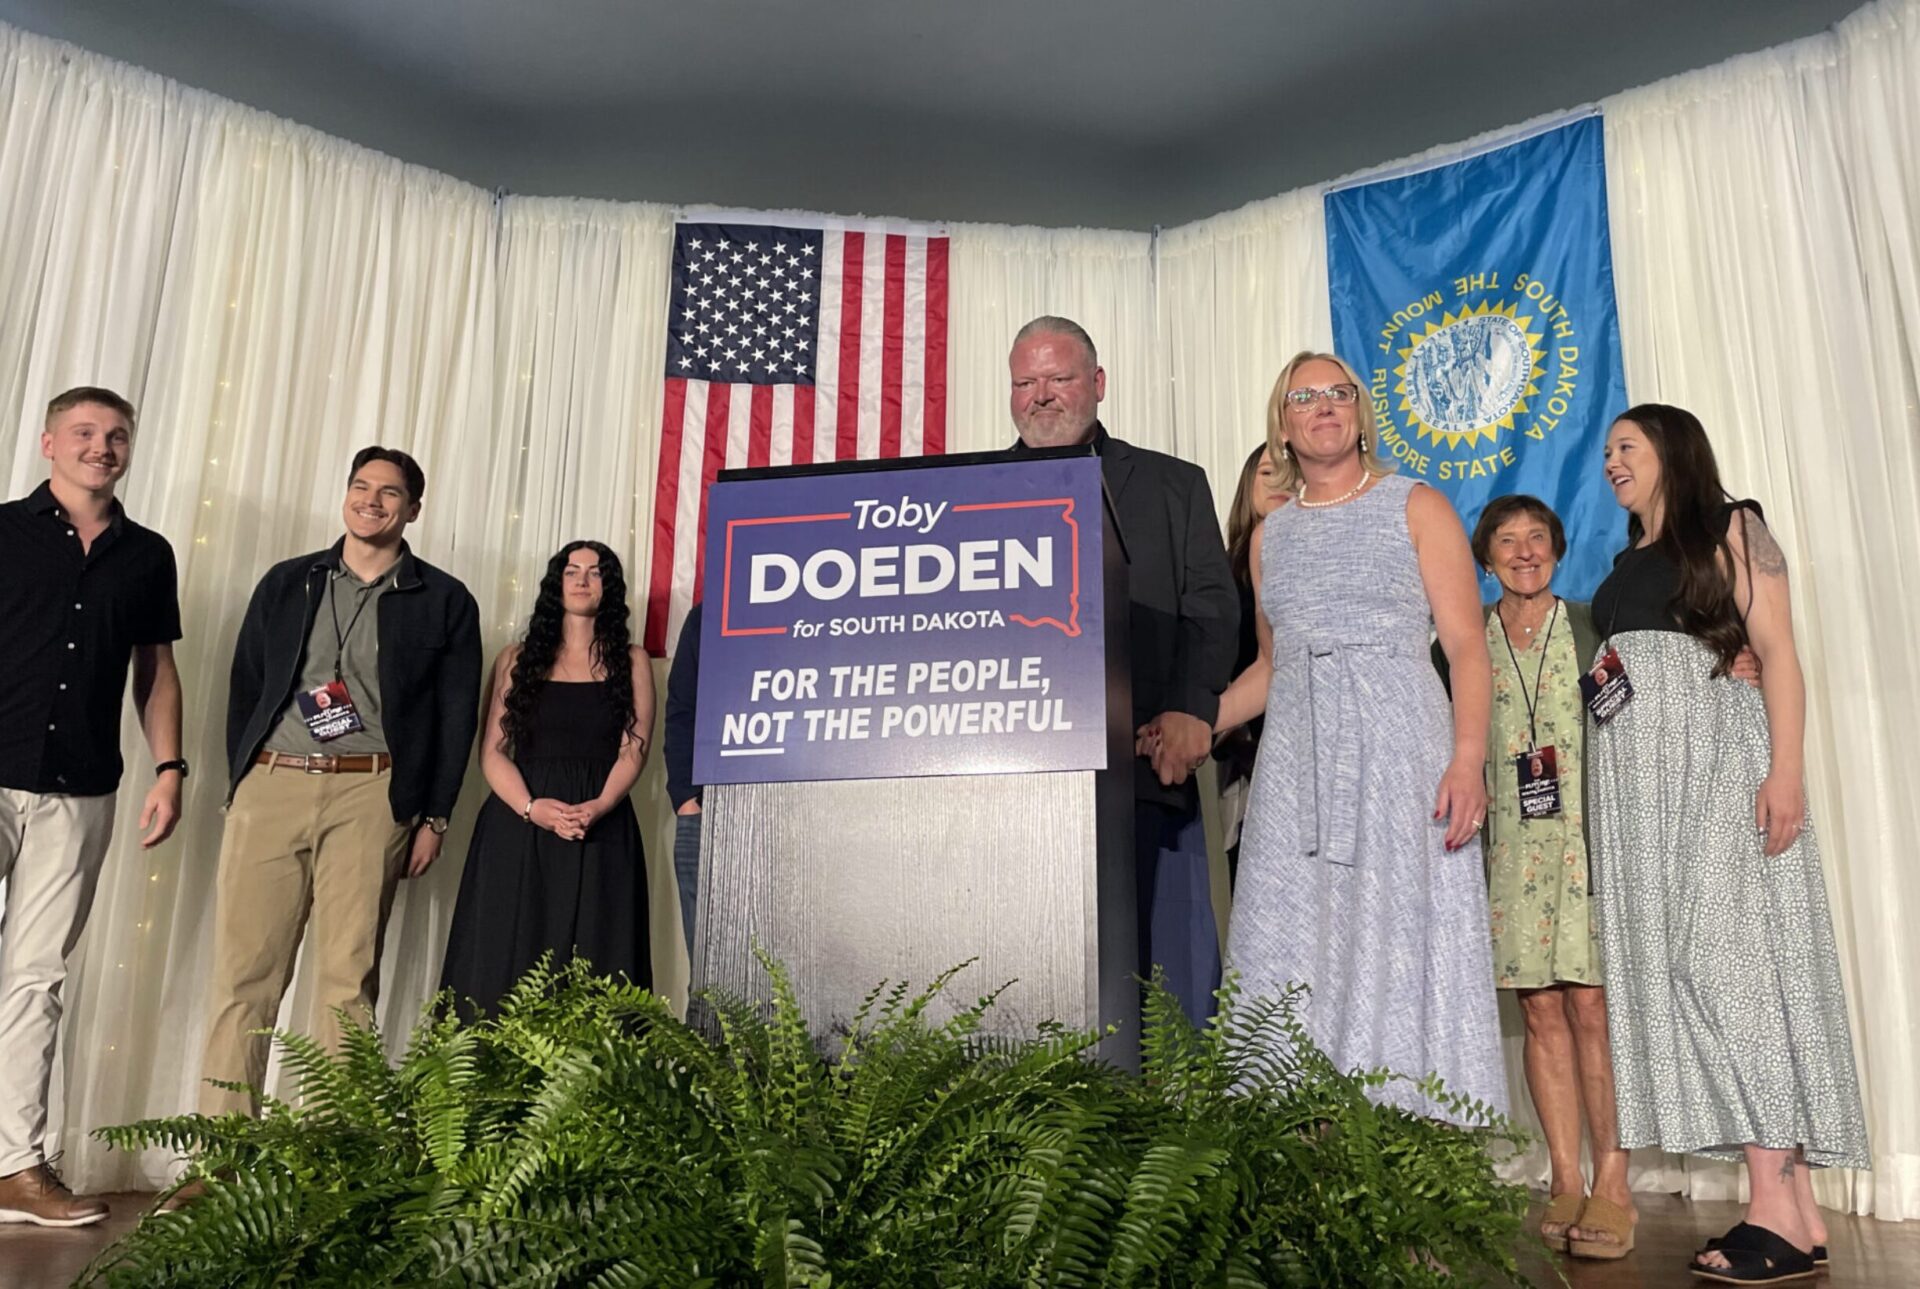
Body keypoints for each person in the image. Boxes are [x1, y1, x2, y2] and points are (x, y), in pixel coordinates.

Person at [1584, 405, 1867, 1282]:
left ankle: (1773, 1205)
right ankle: (1800, 1214)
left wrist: (1785, 771)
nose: (1611, 462)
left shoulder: (1731, 527)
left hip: (1713, 775)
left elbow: (1776, 650)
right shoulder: (1626, 560)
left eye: (1626, 446)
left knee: (1731, 970)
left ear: (1672, 450)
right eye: (1605, 452)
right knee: (1690, 970)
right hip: (1643, 801)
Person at [1214, 350, 1504, 1124]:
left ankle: (1413, 1148)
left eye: (1338, 392)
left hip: (1401, 752)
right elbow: (1271, 668)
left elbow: (1469, 648)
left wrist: (1468, 760)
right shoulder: (1270, 536)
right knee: (1293, 940)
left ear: (1360, 411)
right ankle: (1305, 1145)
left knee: (1399, 935)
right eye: (1304, 396)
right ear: (1283, 424)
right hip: (1297, 772)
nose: (1323, 406)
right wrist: (1188, 723)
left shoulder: (1416, 504)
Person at [197, 447, 481, 1116]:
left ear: (413, 509)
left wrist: (433, 815)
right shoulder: (289, 581)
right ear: (346, 494)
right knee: (244, 976)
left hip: (371, 792)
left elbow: (455, 716)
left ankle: (332, 1157)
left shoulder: (443, 598)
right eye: (361, 486)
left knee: (346, 980)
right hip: (273, 782)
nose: (371, 500)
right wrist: (243, 779)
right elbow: (248, 683)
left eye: (389, 492)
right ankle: (221, 1157)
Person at [1007, 316, 1239, 1028]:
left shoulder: (1174, 485)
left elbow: (1210, 609)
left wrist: (1191, 708)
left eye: (1059, 377)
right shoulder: (969, 493)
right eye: (1025, 382)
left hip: (1147, 776)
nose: (1041, 395)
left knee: (1168, 999)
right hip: (1016, 797)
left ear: (1098, 384)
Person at [0, 388, 183, 1227]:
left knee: (36, 979)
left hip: (81, 788)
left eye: (116, 436)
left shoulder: (148, 556)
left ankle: (15, 1167)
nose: (100, 447)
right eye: (84, 432)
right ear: (48, 441)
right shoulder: (3, 530)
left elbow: (155, 671)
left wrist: (170, 767)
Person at [440, 541, 653, 1016]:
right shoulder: (516, 659)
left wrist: (598, 806)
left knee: (601, 960)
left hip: (601, 824)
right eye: (572, 570)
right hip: (518, 824)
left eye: (595, 572)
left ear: (609, 587)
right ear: (556, 583)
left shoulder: (632, 661)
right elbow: (492, 752)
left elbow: (633, 750)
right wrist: (533, 809)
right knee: (506, 959)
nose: (582, 580)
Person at [1213, 444, 1284, 892]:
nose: (1278, 482)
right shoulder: (1217, 572)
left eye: (1288, 473)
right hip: (1239, 749)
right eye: (1267, 472)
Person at [663, 601, 704, 957]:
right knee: (711, 974)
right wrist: (686, 799)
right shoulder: (709, 616)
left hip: (809, 812)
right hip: (707, 813)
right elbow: (681, 711)